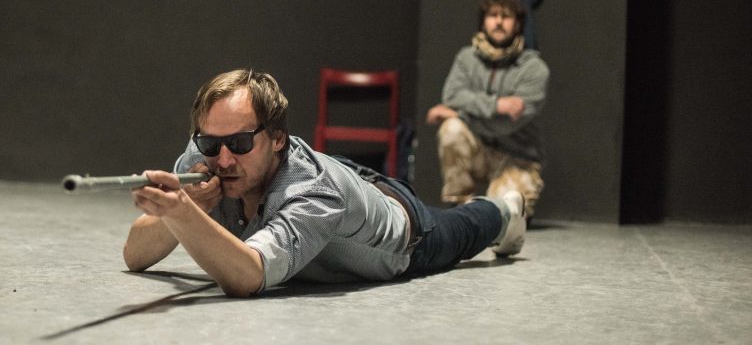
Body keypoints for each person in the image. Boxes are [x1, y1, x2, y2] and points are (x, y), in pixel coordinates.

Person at [123, 69, 526, 297]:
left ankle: (506, 210)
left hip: (403, 229)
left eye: (240, 143)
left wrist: (184, 213)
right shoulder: (202, 157)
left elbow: (248, 276)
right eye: (212, 143)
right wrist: (185, 208)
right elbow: (134, 255)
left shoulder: (313, 191)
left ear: (277, 138)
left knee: (467, 225)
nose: (223, 160)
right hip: (338, 178)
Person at [425, 0, 549, 219]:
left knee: (501, 217)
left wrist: (459, 114)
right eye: (493, 15)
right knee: (451, 130)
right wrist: (496, 105)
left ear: (518, 24)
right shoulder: (467, 58)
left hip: (517, 159)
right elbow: (452, 95)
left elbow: (506, 125)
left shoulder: (534, 69)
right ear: (483, 22)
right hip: (479, 151)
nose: (499, 22)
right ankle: (459, 208)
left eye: (506, 16)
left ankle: (503, 207)